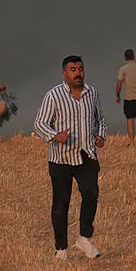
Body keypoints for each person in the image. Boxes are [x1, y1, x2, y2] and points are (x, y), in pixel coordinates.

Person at [33, 55, 106, 260]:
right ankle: (61, 249)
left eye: (81, 69)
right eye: (73, 69)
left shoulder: (92, 93)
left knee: (91, 195)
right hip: (61, 158)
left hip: (87, 155)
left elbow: (99, 118)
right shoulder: (54, 95)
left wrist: (101, 136)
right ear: (64, 73)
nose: (78, 73)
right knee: (61, 203)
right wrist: (55, 136)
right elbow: (39, 124)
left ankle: (84, 238)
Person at [115, 49, 136, 146]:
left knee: (130, 120)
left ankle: (132, 142)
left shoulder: (123, 69)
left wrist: (117, 95)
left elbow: (119, 84)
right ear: (134, 56)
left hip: (129, 98)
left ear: (125, 57)